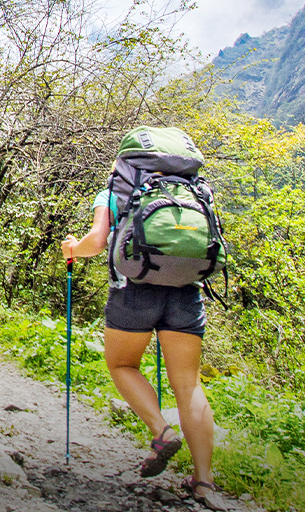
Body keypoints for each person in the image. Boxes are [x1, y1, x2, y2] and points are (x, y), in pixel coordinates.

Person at [61, 182, 228, 511]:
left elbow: (96, 242)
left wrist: (72, 248)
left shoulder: (116, 192)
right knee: (188, 382)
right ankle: (204, 482)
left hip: (133, 291)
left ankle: (161, 431)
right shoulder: (193, 192)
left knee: (123, 365)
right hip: (186, 291)